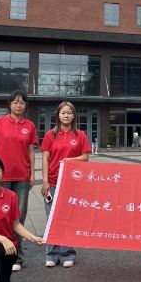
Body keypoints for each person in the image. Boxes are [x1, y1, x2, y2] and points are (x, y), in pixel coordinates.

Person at [0, 90, 37, 271]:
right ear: (9, 104)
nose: (18, 105)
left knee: (18, 217)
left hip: (22, 177)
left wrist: (32, 173)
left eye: (22, 102)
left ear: (26, 105)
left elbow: (31, 151)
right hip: (1, 177)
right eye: (15, 102)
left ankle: (17, 257)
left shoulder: (29, 125)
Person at [40, 101, 90, 268]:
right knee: (52, 219)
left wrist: (70, 160)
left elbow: (85, 157)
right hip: (53, 182)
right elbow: (45, 158)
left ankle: (68, 254)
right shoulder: (50, 135)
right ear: (58, 115)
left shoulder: (80, 135)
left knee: (69, 218)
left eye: (69, 113)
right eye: (63, 113)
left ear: (74, 116)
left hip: (72, 184)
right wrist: (45, 181)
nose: (66, 115)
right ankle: (51, 255)